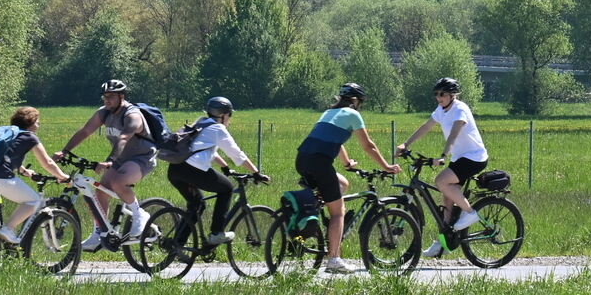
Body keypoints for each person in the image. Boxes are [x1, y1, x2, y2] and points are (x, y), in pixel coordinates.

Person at [294, 82, 401, 274]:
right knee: (338, 211)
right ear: (355, 100)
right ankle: (334, 259)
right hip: (319, 163)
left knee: (343, 183)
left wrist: (346, 163)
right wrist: (386, 166)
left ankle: (322, 222)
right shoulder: (353, 114)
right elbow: (368, 146)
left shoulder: (329, 113)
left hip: (302, 159)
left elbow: (337, 141)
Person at [55, 79, 158, 249]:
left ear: (121, 97)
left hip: (142, 157)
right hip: (121, 158)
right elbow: (85, 131)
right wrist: (65, 150)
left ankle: (140, 215)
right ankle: (100, 232)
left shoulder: (132, 115)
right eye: (105, 97)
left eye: (111, 97)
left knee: (118, 182)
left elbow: (124, 137)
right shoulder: (104, 113)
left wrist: (109, 161)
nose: (107, 100)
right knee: (101, 191)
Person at [397, 77, 489, 258]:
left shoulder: (459, 109)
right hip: (461, 158)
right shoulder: (441, 110)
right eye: (436, 94)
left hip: (474, 157)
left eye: (442, 94)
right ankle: (443, 243)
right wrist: (405, 144)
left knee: (441, 181)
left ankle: (470, 213)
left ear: (452, 95)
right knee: (446, 199)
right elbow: (426, 126)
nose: (438, 97)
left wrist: (443, 156)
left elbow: (454, 134)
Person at [165, 96, 268, 245]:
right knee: (226, 189)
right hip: (192, 170)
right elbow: (237, 154)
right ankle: (217, 233)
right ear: (224, 115)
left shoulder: (201, 123)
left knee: (197, 205)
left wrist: (225, 168)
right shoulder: (218, 129)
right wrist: (256, 172)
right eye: (230, 115)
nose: (230, 119)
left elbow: (206, 152)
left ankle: (177, 244)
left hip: (175, 170)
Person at [0, 106, 71, 244]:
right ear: (31, 121)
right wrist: (63, 177)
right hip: (1, 178)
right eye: (37, 121)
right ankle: (8, 229)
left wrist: (24, 171)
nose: (39, 124)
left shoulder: (7, 132)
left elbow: (6, 155)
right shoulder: (29, 136)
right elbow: (47, 163)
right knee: (33, 201)